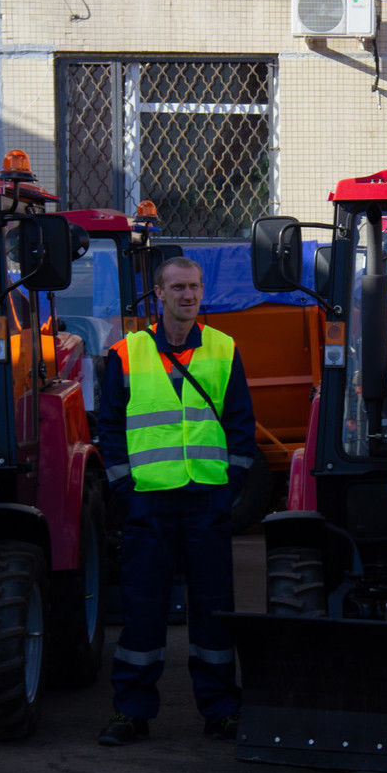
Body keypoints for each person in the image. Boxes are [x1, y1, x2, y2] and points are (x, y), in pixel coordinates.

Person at [96, 255, 259, 746]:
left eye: (194, 287)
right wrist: (127, 490)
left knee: (213, 611)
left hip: (206, 501)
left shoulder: (225, 349)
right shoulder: (125, 355)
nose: (188, 295)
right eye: (178, 288)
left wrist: (227, 491)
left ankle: (221, 710)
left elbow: (241, 428)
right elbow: (110, 429)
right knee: (143, 610)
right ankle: (131, 712)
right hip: (149, 503)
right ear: (159, 294)